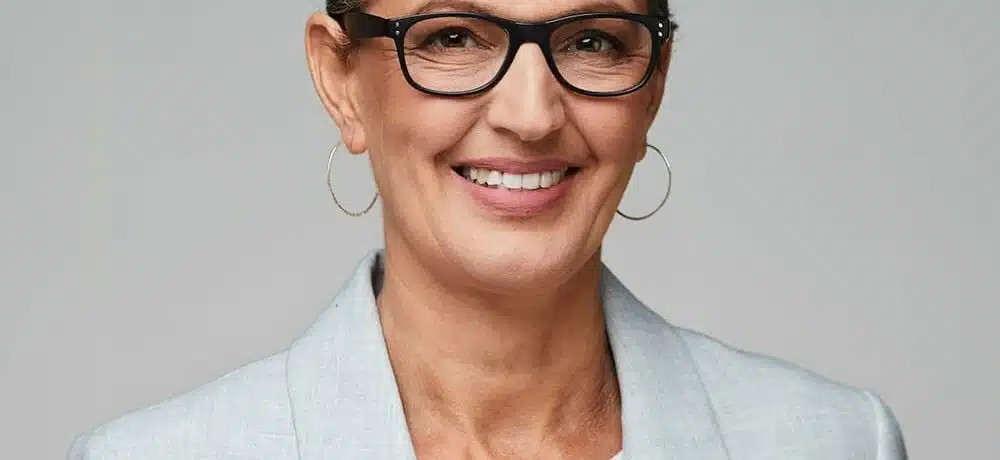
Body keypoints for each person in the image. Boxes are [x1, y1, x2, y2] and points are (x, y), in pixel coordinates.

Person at [68, 0, 909, 458]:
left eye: (591, 40)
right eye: (454, 37)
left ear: (653, 85)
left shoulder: (839, 443)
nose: (531, 114)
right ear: (340, 80)